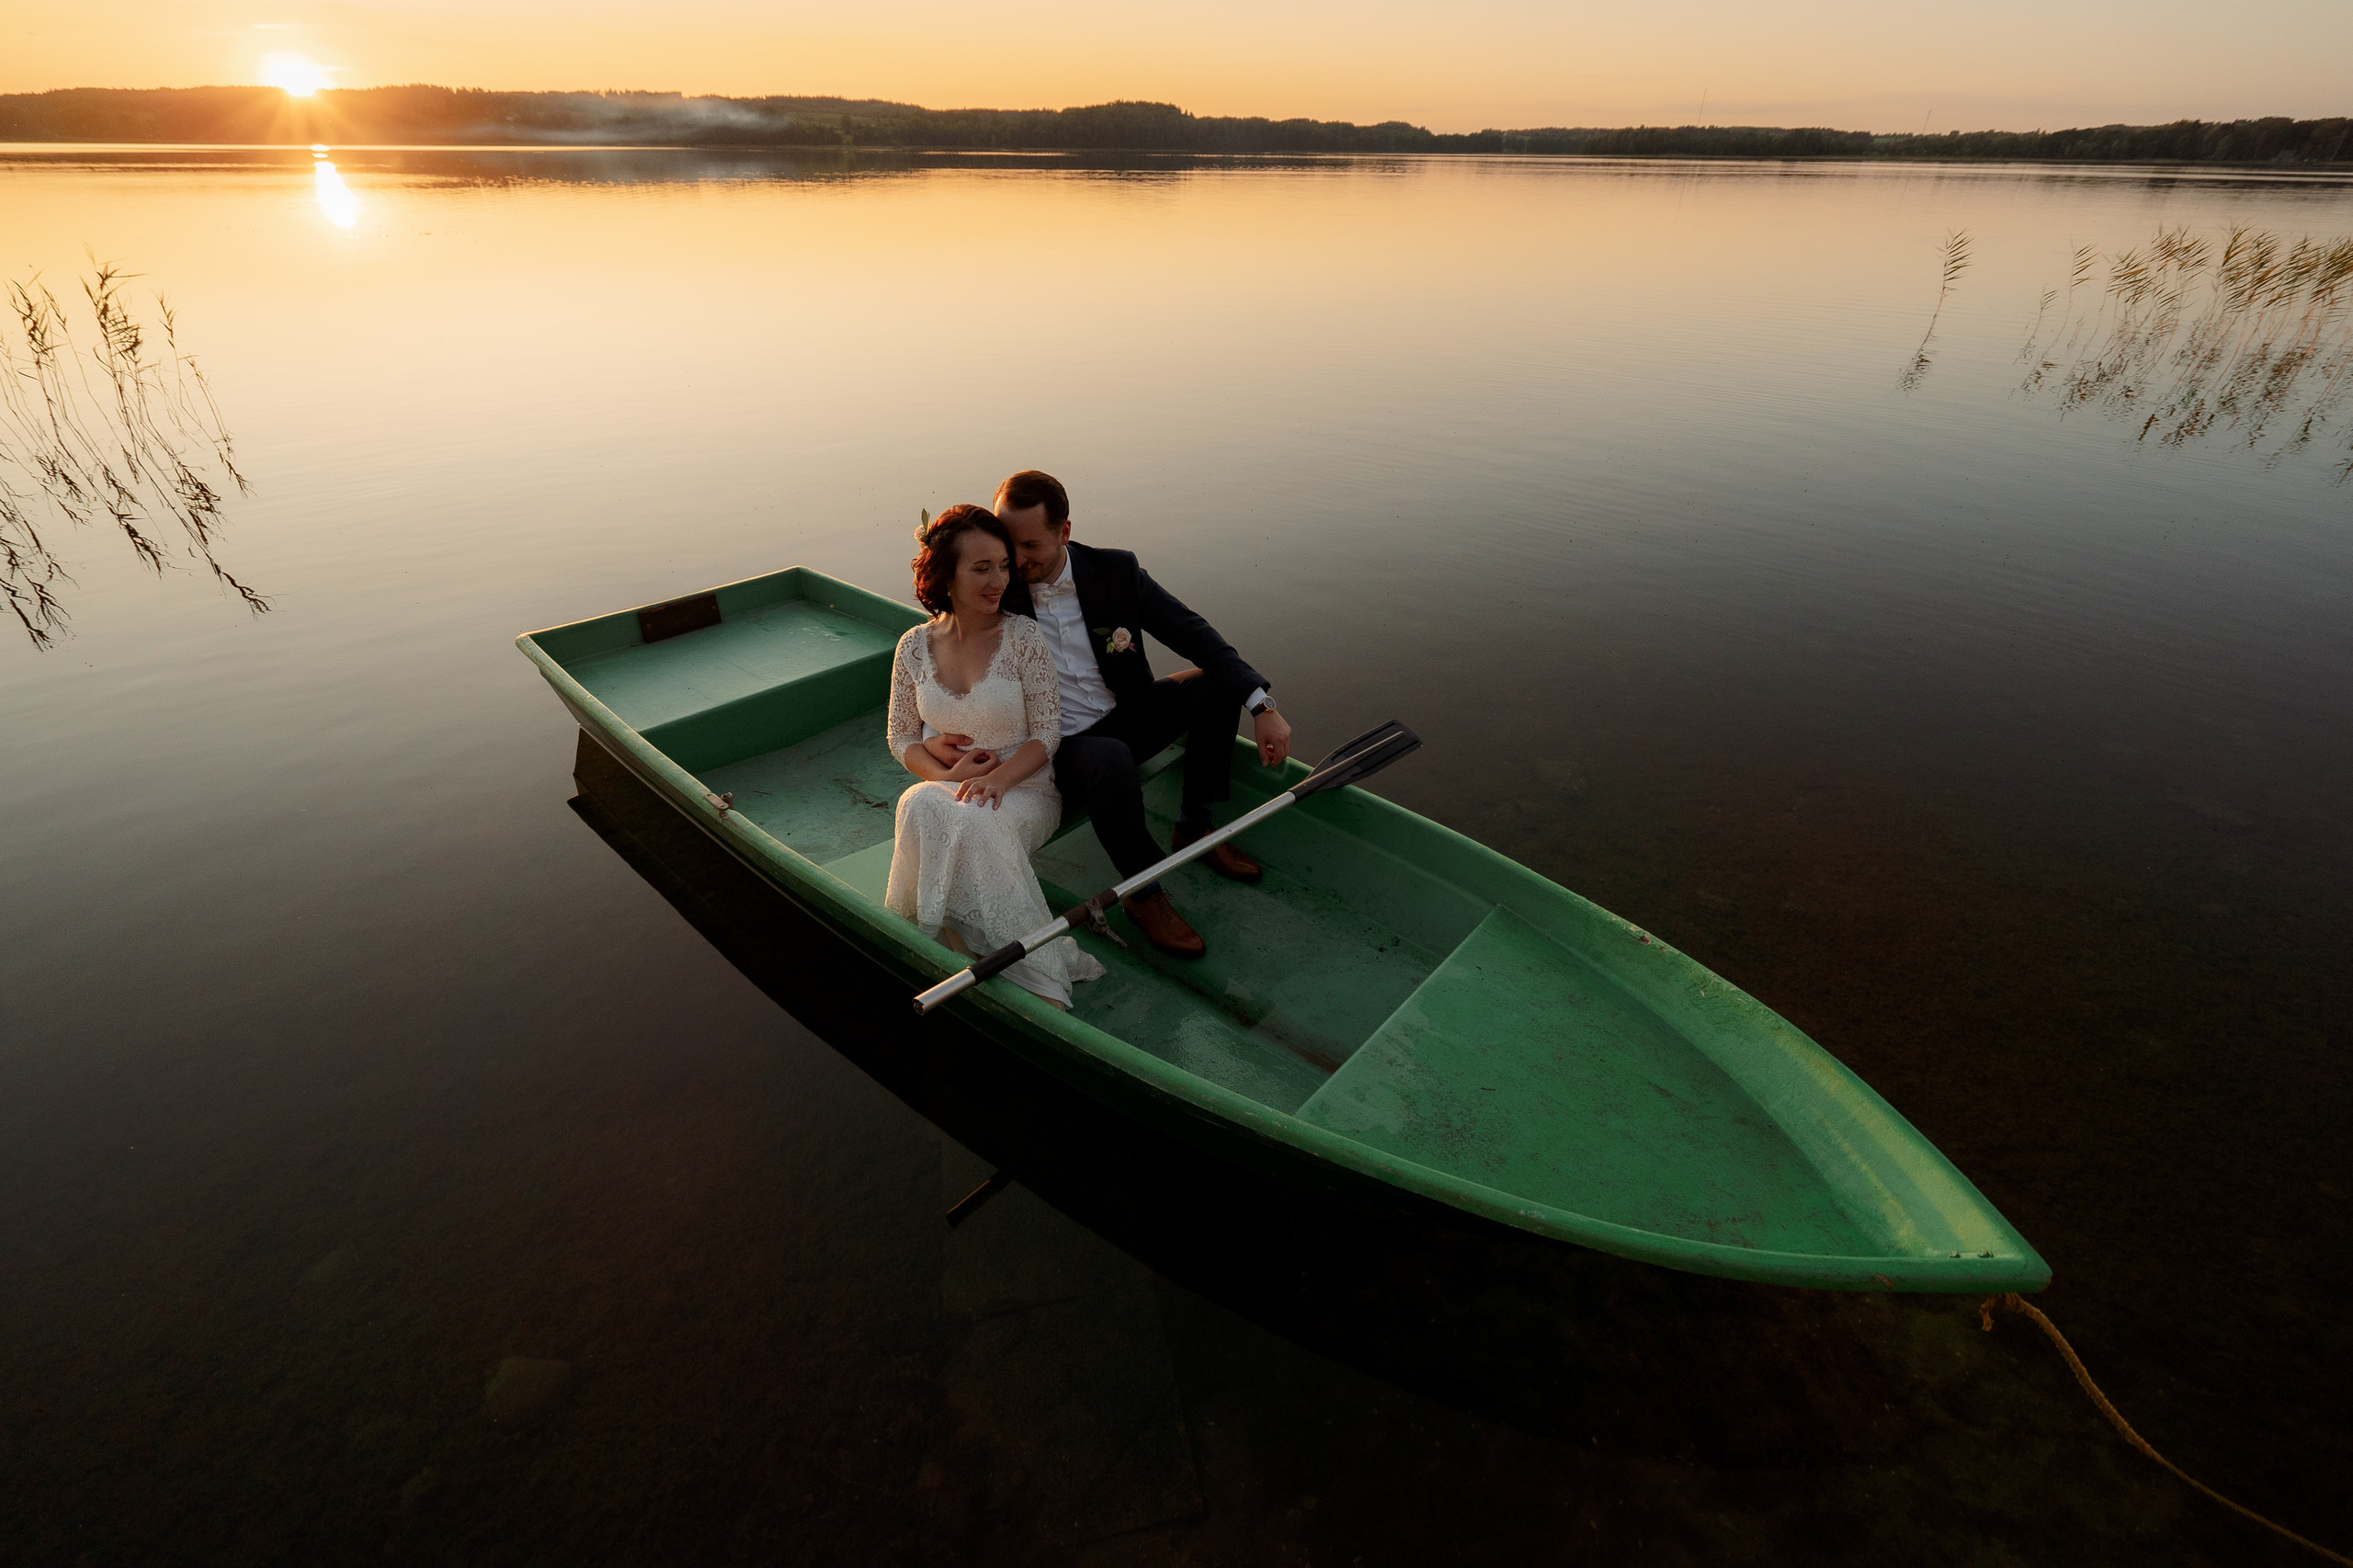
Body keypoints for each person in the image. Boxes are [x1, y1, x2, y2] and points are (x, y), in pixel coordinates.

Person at [926, 469, 1293, 958]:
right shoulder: (995, 585)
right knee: (1108, 759)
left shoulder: (1115, 571)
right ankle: (1144, 893)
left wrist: (1262, 705)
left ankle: (1194, 826)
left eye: (1030, 545)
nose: (1014, 560)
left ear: (1065, 532)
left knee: (1214, 687)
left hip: (1124, 716)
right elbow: (947, 653)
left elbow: (1191, 631)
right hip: (1054, 743)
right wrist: (934, 734)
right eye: (1006, 544)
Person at [883, 505, 1104, 1009]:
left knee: (978, 821)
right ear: (946, 574)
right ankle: (950, 938)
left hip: (1025, 789)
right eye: (981, 568)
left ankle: (1037, 973)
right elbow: (901, 738)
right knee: (918, 803)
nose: (999, 579)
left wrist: (1000, 780)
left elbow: (1047, 734)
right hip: (954, 784)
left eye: (1003, 565)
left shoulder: (1023, 637)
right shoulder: (913, 647)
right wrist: (947, 772)